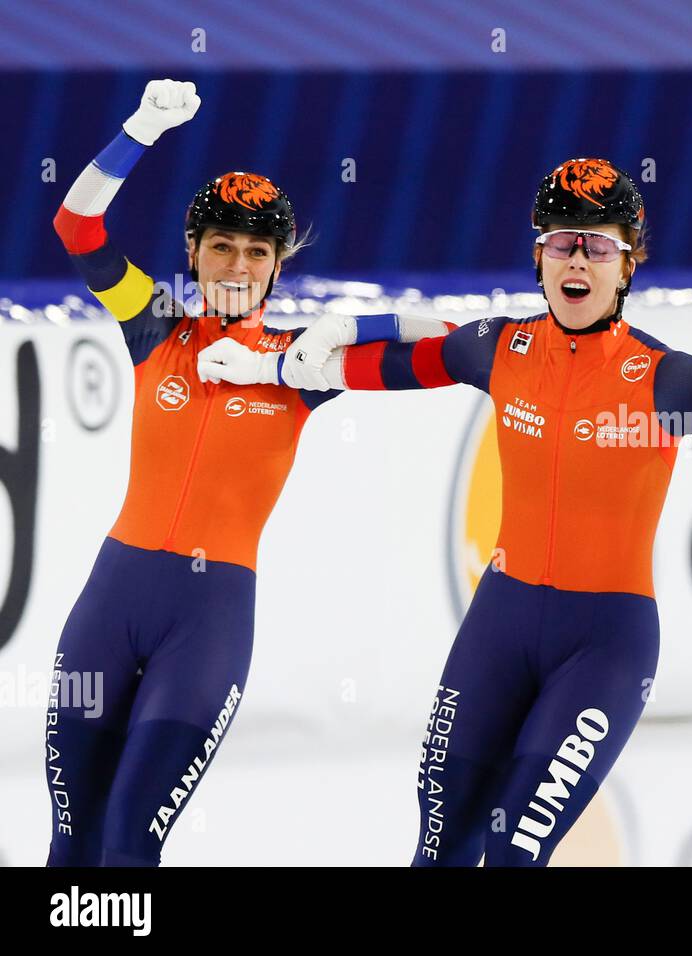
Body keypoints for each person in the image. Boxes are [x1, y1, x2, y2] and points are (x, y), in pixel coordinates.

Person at [197, 156, 692, 866]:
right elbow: (396, 364)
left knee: (517, 851)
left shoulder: (662, 379)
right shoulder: (501, 348)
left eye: (597, 246)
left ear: (629, 262)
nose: (578, 262)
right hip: (501, 624)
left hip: (605, 648)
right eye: (562, 244)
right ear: (539, 258)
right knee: (441, 842)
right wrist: (276, 362)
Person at [45, 79, 449, 866]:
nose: (236, 263)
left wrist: (339, 330)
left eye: (256, 251)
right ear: (191, 253)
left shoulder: (307, 363)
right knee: (73, 837)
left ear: (276, 266)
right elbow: (75, 224)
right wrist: (137, 128)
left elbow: (457, 346)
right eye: (221, 245)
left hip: (207, 624)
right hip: (110, 601)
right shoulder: (153, 324)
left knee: (130, 839)